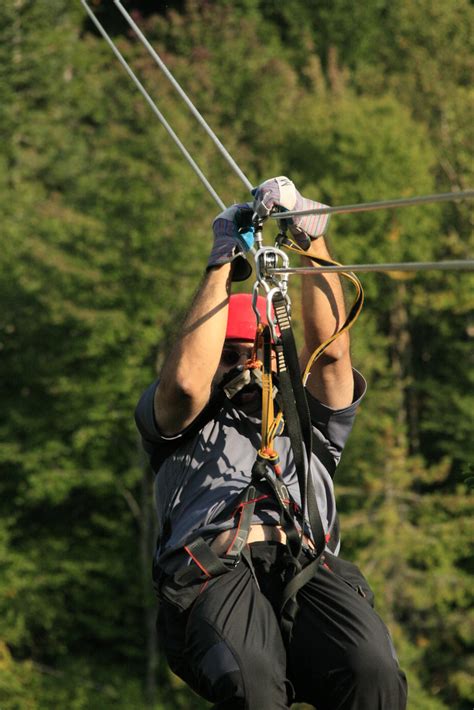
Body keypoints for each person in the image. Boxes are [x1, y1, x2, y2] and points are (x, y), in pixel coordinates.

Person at [135, 176, 407, 709]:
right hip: (214, 574)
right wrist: (222, 268)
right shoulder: (182, 427)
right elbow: (188, 382)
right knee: (251, 682)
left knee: (372, 670)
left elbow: (328, 354)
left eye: (253, 352)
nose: (245, 366)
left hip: (305, 567)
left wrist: (313, 243)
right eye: (230, 356)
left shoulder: (309, 428)